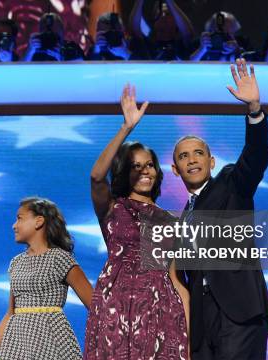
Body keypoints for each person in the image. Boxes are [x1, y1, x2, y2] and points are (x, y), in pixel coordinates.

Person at [172, 59, 268, 359]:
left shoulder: (231, 184)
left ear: (211, 161)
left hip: (239, 313)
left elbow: (254, 157)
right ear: (175, 168)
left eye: (199, 153)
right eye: (184, 156)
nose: (192, 160)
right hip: (204, 323)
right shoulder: (182, 217)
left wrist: (254, 109)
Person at [84, 84, 190, 359]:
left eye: (150, 164)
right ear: (123, 171)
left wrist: (188, 344)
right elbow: (97, 176)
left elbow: (175, 280)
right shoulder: (112, 208)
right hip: (115, 305)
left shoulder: (169, 220)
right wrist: (125, 128)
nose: (145, 170)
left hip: (160, 311)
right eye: (135, 166)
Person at [0, 197, 92, 360]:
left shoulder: (60, 259)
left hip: (52, 343)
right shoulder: (16, 263)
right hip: (17, 346)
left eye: (19, 218)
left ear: (39, 221)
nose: (14, 225)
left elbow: (97, 306)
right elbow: (10, 313)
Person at [129, 0, 195, 60]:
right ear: (154, 22)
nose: (163, 18)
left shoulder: (180, 45)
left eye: (167, 14)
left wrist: (170, 2)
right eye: (159, 14)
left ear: (176, 20)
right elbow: (135, 30)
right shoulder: (148, 45)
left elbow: (187, 32)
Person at [190, 11, 256, 62]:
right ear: (209, 30)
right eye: (216, 32)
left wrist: (237, 50)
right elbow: (188, 66)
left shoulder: (242, 42)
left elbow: (253, 63)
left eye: (225, 33)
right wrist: (202, 49)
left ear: (234, 32)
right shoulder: (201, 43)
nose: (220, 36)